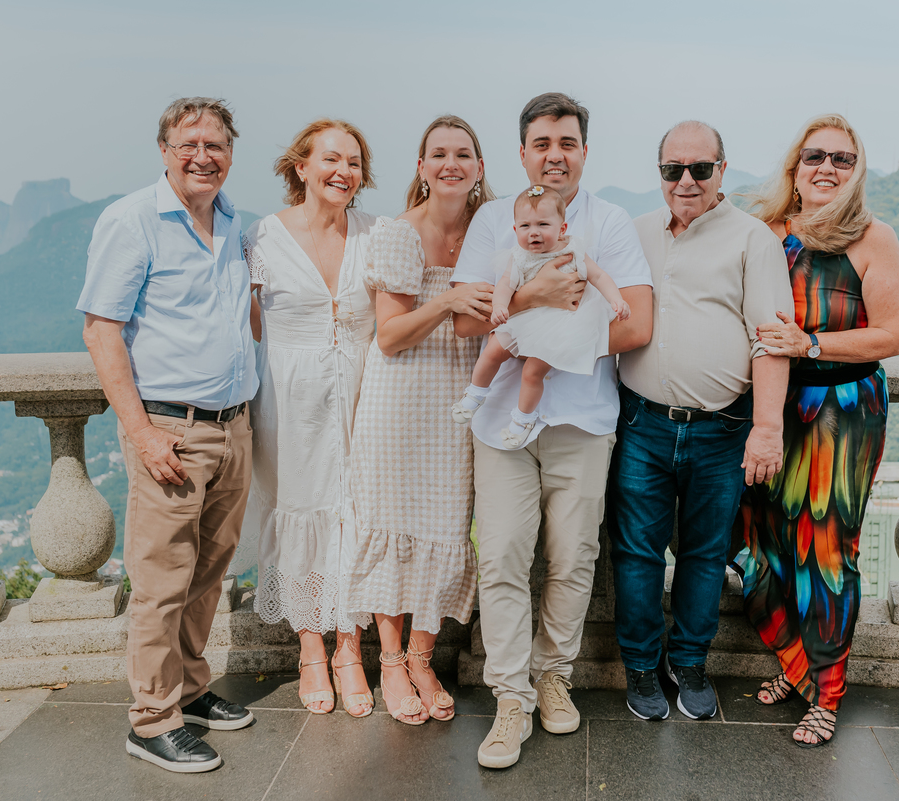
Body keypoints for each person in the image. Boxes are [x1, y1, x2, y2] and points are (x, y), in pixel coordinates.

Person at [451, 92, 653, 769]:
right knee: (504, 554)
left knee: (573, 558)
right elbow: (465, 319)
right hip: (502, 418)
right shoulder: (492, 221)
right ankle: (511, 696)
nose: (554, 154)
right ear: (523, 153)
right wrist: (537, 302)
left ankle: (553, 674)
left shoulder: (611, 222)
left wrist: (552, 339)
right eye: (541, 143)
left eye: (566, 142)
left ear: (584, 151)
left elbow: (638, 323)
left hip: (585, 421)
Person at [79, 97, 257, 773]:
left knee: (208, 571)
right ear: (164, 150)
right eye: (189, 143)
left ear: (231, 154)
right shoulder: (132, 221)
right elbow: (101, 330)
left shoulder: (238, 221)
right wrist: (142, 433)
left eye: (215, 144)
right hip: (170, 429)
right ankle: (152, 719)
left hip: (232, 425)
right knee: (161, 579)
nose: (203, 155)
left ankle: (189, 687)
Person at [736, 114, 899, 747]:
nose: (827, 168)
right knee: (762, 539)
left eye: (842, 159)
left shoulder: (871, 237)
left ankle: (827, 693)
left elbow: (892, 334)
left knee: (826, 549)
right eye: (816, 156)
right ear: (795, 166)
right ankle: (796, 662)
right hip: (768, 408)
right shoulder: (765, 233)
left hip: (842, 412)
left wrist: (811, 341)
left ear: (856, 171)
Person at [611, 121, 792, 722]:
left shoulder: (752, 240)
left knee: (705, 553)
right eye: (672, 170)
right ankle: (640, 667)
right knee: (636, 551)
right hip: (642, 421)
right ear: (659, 173)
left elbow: (770, 341)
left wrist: (767, 428)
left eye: (699, 169)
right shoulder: (634, 234)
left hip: (721, 429)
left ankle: (688, 662)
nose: (685, 181)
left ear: (722, 171)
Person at [346, 115, 496, 726]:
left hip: (458, 398)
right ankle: (389, 662)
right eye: (439, 154)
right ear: (421, 166)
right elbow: (389, 336)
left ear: (480, 168)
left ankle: (422, 656)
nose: (451, 163)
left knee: (444, 522)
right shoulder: (397, 234)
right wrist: (448, 300)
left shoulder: (489, 233)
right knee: (391, 521)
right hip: (399, 396)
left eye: (463, 154)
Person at [236, 119, 381, 717]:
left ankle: (350, 648)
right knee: (297, 509)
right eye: (331, 159)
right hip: (288, 403)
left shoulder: (378, 234)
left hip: (363, 397)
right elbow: (245, 329)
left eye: (353, 161)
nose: (343, 171)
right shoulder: (262, 237)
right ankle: (311, 650)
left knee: (358, 512)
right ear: (301, 166)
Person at [452, 184, 630, 449]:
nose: (533, 232)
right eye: (525, 226)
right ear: (515, 231)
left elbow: (599, 276)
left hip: (558, 326)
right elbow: (504, 285)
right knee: (492, 350)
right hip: (524, 319)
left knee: (532, 373)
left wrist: (616, 299)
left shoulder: (573, 252)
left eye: (543, 225)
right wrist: (500, 306)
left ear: (562, 229)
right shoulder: (519, 256)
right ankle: (476, 392)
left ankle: (523, 419)